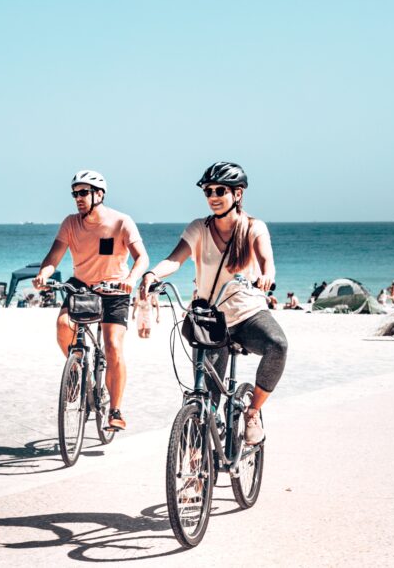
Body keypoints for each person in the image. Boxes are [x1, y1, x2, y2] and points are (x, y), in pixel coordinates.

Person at [142, 162, 287, 445]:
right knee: (207, 397)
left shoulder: (254, 228)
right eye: (208, 191)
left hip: (247, 315)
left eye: (220, 190)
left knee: (278, 345)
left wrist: (267, 276)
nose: (213, 196)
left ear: (238, 194)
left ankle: (253, 411)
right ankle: (197, 461)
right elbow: (175, 259)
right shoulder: (199, 228)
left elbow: (267, 260)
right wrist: (152, 274)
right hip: (209, 320)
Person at [33, 170, 149, 432]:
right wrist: (43, 274)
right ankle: (76, 371)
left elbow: (142, 257)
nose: (78, 198)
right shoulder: (71, 223)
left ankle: (115, 409)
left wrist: (131, 278)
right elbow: (54, 258)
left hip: (115, 287)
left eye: (83, 192)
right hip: (82, 285)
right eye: (75, 193)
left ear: (99, 194)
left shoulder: (121, 221)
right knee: (63, 325)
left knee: (113, 347)